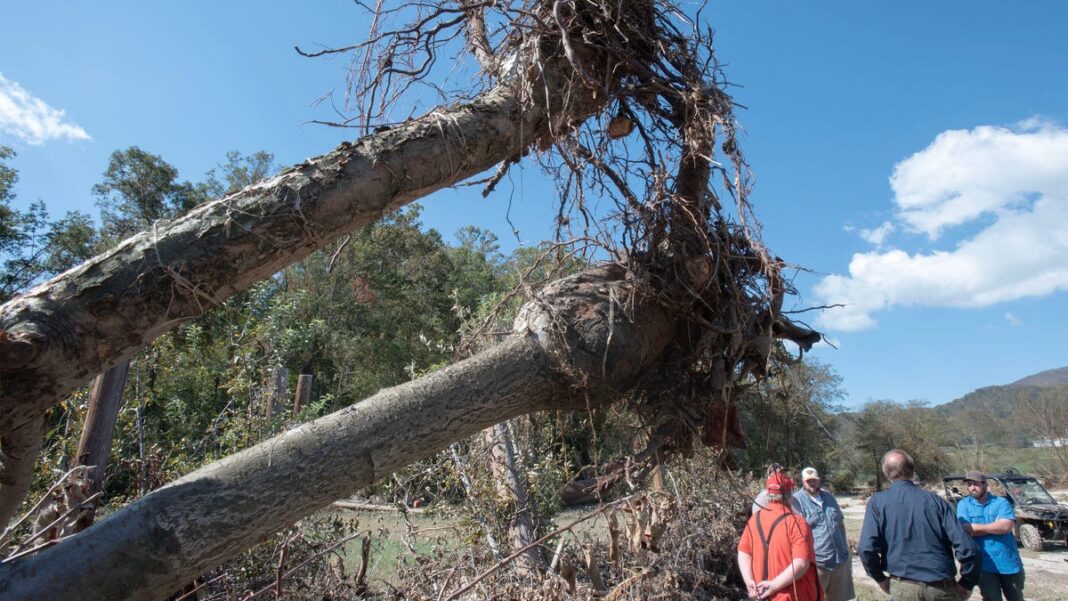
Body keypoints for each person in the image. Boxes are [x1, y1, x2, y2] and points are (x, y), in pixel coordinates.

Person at [858, 450, 979, 601]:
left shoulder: (877, 503)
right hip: (941, 588)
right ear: (912, 470)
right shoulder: (936, 502)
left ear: (886, 473)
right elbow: (968, 548)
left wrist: (879, 578)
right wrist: (967, 583)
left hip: (903, 587)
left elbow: (866, 548)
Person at [738, 471, 822, 601]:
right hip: (791, 596)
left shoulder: (755, 519)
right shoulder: (797, 523)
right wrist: (773, 585)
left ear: (768, 493)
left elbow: (743, 552)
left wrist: (749, 580)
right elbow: (801, 563)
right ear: (790, 494)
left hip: (761, 595)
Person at [955, 470, 1025, 601]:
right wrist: (995, 526)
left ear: (985, 485)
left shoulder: (1001, 502)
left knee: (1016, 598)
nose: (972, 488)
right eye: (969, 484)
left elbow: (1006, 526)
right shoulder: (963, 505)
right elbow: (965, 529)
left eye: (975, 484)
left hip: (1009, 563)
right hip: (984, 566)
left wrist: (976, 528)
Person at [794, 467, 854, 601]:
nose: (812, 483)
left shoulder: (830, 497)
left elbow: (840, 525)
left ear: (819, 480)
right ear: (803, 482)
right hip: (817, 563)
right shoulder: (796, 501)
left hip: (840, 560)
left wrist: (847, 551)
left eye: (814, 480)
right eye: (808, 481)